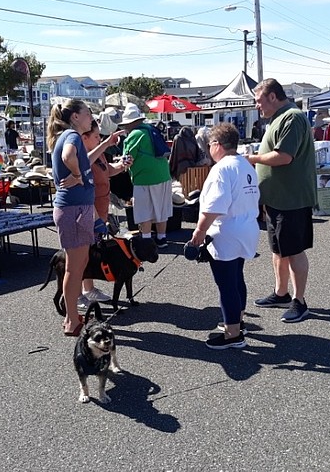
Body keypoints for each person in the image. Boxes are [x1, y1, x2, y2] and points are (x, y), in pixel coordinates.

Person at [246, 78, 314, 323]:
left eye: (258, 100)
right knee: (278, 249)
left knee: (293, 251)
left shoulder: (292, 118)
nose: (257, 106)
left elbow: (284, 157)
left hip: (292, 198)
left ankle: (300, 301)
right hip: (278, 198)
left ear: (272, 96)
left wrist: (252, 159)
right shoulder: (279, 118)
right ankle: (281, 293)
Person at [188, 122, 260, 349]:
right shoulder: (246, 164)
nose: (208, 149)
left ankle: (233, 334)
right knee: (237, 277)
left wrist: (199, 233)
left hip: (226, 231)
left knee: (226, 284)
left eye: (209, 144)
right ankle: (237, 322)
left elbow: (214, 206)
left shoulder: (221, 169)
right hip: (247, 227)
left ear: (217, 144)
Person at [49, 99, 96, 337]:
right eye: (88, 113)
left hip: (74, 209)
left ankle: (72, 318)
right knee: (74, 269)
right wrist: (77, 175)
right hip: (74, 210)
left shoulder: (67, 135)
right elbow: (69, 157)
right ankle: (72, 320)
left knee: (76, 266)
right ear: (75, 116)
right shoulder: (72, 136)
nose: (91, 116)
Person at [78, 118, 128, 310]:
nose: (100, 139)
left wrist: (123, 165)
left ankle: (88, 288)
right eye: (97, 136)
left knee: (92, 253)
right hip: (88, 211)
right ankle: (77, 294)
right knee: (82, 255)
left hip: (100, 209)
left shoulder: (99, 155)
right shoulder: (83, 157)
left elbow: (108, 172)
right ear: (85, 138)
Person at [118, 103, 173, 249]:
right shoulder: (152, 129)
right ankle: (162, 238)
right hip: (163, 175)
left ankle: (147, 239)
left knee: (144, 209)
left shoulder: (134, 135)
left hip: (144, 178)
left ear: (129, 123)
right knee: (161, 209)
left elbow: (127, 159)